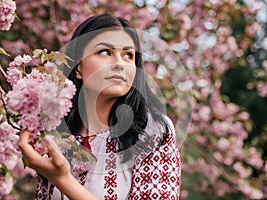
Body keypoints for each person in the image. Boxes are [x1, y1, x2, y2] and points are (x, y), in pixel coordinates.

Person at [18, 13, 181, 200]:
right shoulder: (55, 132)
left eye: (128, 55)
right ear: (77, 67)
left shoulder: (152, 131)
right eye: (105, 52)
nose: (120, 64)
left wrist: (63, 180)